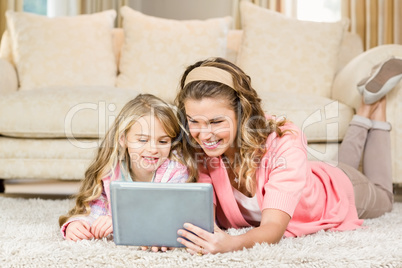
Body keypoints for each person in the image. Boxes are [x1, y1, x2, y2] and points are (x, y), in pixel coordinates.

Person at [174, 57, 400, 255]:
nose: (204, 134)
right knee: (340, 164)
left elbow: (272, 229)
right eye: (194, 121)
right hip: (306, 177)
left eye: (216, 121)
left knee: (383, 195)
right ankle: (365, 111)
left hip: (337, 192)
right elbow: (203, 217)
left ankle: (372, 108)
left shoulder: (285, 139)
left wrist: (231, 244)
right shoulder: (198, 148)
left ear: (242, 114)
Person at [59, 94, 190, 245]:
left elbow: (170, 218)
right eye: (142, 140)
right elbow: (96, 209)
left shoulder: (175, 172)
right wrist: (77, 224)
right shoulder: (111, 172)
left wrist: (119, 222)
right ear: (123, 139)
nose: (153, 149)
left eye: (163, 141)